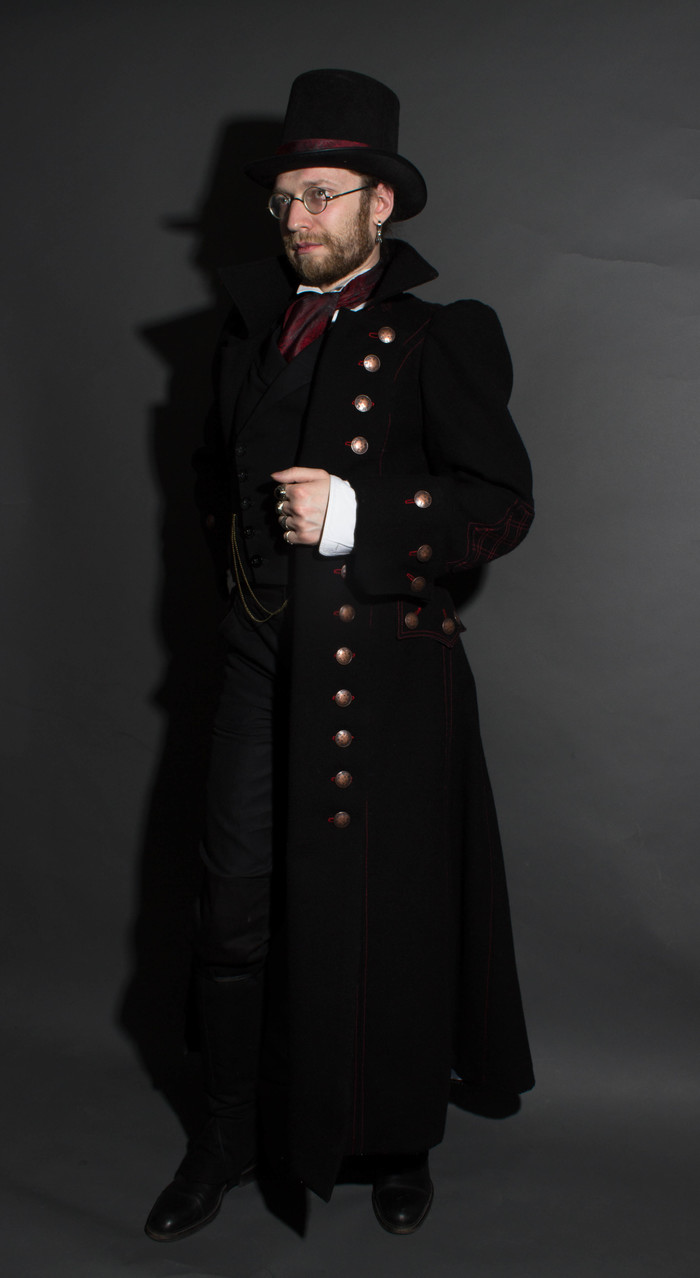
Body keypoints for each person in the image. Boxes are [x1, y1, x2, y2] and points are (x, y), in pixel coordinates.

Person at [145, 67, 535, 1242]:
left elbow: (499, 507)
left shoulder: (440, 336)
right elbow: (213, 481)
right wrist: (247, 593)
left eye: (322, 194)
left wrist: (356, 515)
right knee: (231, 910)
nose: (297, 216)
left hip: (382, 676)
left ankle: (396, 1142)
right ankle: (225, 1136)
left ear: (381, 204)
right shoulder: (247, 330)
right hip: (257, 658)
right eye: (284, 198)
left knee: (383, 915)